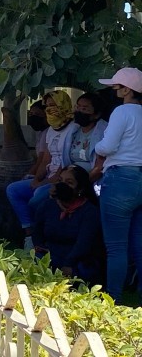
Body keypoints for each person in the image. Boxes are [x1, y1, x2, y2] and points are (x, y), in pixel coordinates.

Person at [6, 90, 78, 250]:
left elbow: (65, 162)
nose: (50, 109)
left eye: (54, 105)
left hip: (63, 178)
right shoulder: (51, 130)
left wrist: (44, 183)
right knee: (13, 190)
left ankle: (40, 236)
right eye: (47, 106)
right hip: (48, 177)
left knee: (37, 197)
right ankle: (29, 234)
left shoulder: (74, 128)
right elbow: (46, 158)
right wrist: (37, 179)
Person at [94, 67, 142, 303]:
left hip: (121, 179)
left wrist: (96, 147)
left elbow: (107, 146)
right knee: (139, 243)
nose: (114, 91)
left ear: (127, 90)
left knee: (116, 247)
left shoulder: (123, 112)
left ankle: (113, 300)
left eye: (116, 87)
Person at [31, 165, 104, 284]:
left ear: (80, 189)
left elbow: (84, 243)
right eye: (60, 181)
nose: (62, 185)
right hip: (50, 255)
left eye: (69, 183)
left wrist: (68, 264)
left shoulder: (90, 212)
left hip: (79, 259)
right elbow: (37, 233)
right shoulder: (47, 206)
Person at [61, 93, 107, 192]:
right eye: (78, 107)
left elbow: (99, 168)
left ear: (96, 114)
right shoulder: (74, 131)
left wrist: (81, 186)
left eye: (85, 109)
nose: (80, 111)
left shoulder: (104, 133)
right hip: (67, 181)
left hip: (88, 184)